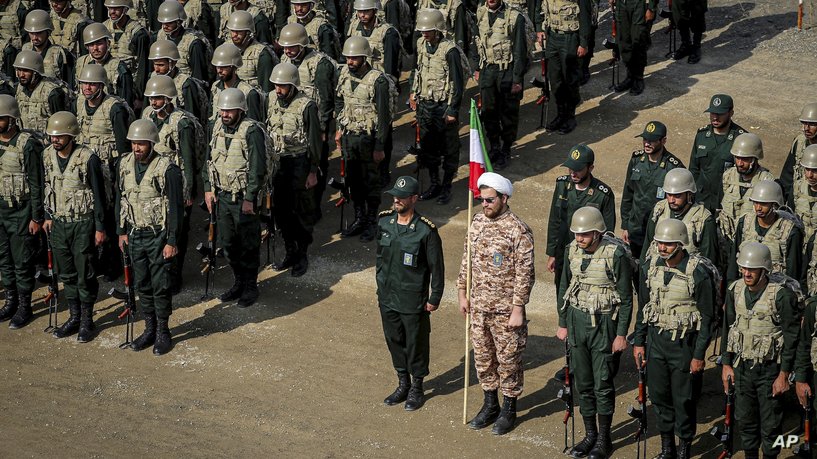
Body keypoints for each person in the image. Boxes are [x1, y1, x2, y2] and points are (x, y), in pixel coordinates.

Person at [458, 172, 534, 435]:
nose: (485, 204)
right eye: (482, 199)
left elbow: (526, 274)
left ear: (504, 198)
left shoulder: (518, 230)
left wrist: (518, 308)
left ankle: (508, 409)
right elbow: (467, 259)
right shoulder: (477, 221)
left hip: (505, 311)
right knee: (482, 358)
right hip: (479, 307)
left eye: (490, 200)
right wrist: (461, 291)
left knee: (508, 360)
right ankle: (490, 404)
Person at [633, 218, 716, 458]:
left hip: (684, 345)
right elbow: (645, 307)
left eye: (668, 244)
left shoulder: (697, 273)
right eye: (659, 242)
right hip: (656, 342)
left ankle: (684, 448)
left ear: (681, 244)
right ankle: (667, 446)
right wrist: (639, 342)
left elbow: (707, 318)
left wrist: (699, 355)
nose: (662, 248)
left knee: (684, 400)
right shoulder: (650, 268)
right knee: (658, 396)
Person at [557, 206, 632, 458]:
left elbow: (626, 298)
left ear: (598, 233)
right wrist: (563, 322)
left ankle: (604, 439)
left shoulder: (615, 254)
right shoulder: (571, 251)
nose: (580, 238)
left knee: (603, 384)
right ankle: (589, 435)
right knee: (583, 383)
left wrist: (621, 334)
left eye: (585, 234)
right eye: (577, 234)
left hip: (603, 325)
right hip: (577, 323)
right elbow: (564, 287)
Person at [722, 242, 802, 459]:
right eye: (744, 268)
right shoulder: (735, 290)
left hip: (769, 371)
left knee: (771, 425)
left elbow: (791, 337)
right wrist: (726, 364)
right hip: (742, 368)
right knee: (745, 421)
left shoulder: (781, 296)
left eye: (752, 269)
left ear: (764, 269)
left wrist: (784, 374)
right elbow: (727, 327)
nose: (746, 273)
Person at [376, 175, 444, 411]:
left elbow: (437, 268)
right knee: (394, 340)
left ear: (414, 199)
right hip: (387, 296)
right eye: (395, 196)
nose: (397, 200)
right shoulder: (384, 223)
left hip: (413, 298)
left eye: (402, 197)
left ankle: (416, 386)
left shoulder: (426, 231)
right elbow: (379, 259)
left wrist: (434, 297)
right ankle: (402, 382)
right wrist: (380, 286)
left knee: (416, 343)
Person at [116, 119, 184, 355]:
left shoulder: (167, 169)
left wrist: (172, 241)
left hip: (158, 236)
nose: (137, 148)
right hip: (135, 233)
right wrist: (121, 231)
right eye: (134, 143)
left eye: (141, 144)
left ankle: (164, 331)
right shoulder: (124, 164)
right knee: (142, 283)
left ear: (152, 143)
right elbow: (121, 199)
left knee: (160, 284)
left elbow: (176, 208)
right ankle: (149, 328)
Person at [42, 111, 107, 341]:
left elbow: (100, 196)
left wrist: (100, 227)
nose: (54, 140)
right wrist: (47, 216)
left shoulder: (87, 158)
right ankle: (74, 316)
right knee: (67, 273)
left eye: (59, 136)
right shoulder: (47, 155)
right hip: (59, 223)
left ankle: (87, 320)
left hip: (83, 224)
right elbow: (47, 186)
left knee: (85, 273)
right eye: (52, 136)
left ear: (71, 135)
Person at [203, 88, 270, 307]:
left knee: (248, 244)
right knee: (228, 244)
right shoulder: (215, 128)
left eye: (230, 110)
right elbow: (208, 161)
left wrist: (251, 197)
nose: (225, 114)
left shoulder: (251, 131)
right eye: (223, 110)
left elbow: (257, 168)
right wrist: (208, 189)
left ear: (240, 110)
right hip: (222, 195)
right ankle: (238, 281)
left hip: (243, 198)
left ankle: (251, 286)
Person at [142, 74, 204, 292]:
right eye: (150, 98)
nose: (153, 102)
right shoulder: (148, 116)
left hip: (175, 181)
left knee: (176, 230)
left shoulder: (182, 123)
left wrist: (188, 191)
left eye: (158, 98)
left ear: (168, 98)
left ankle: (173, 275)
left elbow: (188, 158)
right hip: (153, 181)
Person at [75, 63, 135, 281]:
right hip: (88, 171)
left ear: (101, 85)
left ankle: (114, 264)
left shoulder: (114, 108)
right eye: (84, 83)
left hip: (110, 172)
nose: (87, 88)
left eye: (92, 84)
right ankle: (97, 260)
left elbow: (123, 148)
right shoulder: (79, 104)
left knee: (111, 218)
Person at [335, 36, 394, 242]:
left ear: (364, 57)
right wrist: (338, 129)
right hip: (350, 137)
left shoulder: (378, 81)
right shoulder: (343, 73)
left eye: (354, 58)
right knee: (353, 181)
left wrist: (380, 146)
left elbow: (384, 118)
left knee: (371, 182)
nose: (350, 62)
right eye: (348, 58)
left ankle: (371, 220)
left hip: (369, 139)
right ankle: (359, 217)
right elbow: (339, 102)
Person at [266, 62, 320, 277]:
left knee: (301, 211)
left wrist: (313, 171)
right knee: (281, 211)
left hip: (299, 163)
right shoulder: (270, 99)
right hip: (278, 163)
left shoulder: (307, 106)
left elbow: (315, 141)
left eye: (282, 86)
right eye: (276, 85)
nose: (278, 90)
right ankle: (289, 250)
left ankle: (302, 254)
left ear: (293, 85)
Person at [279, 22, 337, 216]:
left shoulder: (319, 64)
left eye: (291, 47)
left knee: (316, 165)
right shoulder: (284, 62)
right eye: (285, 47)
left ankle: (314, 207)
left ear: (303, 45)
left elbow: (327, 98)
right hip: (292, 123)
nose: (287, 51)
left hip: (315, 123)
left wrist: (322, 129)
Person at [409, 8, 464, 205]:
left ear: (438, 29)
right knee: (428, 147)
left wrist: (453, 109)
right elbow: (417, 69)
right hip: (425, 104)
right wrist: (413, 91)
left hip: (443, 106)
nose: (424, 34)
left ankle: (447, 185)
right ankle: (434, 182)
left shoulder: (450, 51)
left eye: (428, 30)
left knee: (450, 148)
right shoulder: (421, 44)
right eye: (422, 30)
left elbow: (458, 83)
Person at [0, 95, 45, 330]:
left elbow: (37, 183)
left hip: (21, 211)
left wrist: (37, 217)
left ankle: (25, 306)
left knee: (22, 261)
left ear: (12, 119)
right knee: (4, 260)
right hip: (1, 211)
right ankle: (10, 301)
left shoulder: (28, 144)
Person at [546, 144, 615, 294]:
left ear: (590, 168)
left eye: (577, 169)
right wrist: (552, 253)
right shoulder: (562, 185)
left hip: (589, 254)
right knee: (562, 291)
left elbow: (608, 231)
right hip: (564, 251)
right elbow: (555, 220)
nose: (573, 173)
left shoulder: (603, 194)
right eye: (570, 168)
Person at [474, 0, 528, 169]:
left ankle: (506, 148)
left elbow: (520, 50)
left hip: (507, 70)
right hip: (487, 70)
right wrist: (477, 67)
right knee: (488, 112)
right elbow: (476, 42)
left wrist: (517, 78)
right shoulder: (481, 14)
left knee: (508, 113)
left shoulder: (514, 17)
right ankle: (494, 145)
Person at [620, 121, 684, 259]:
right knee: (636, 267)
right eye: (645, 139)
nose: (647, 144)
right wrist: (625, 225)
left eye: (652, 141)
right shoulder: (636, 160)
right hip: (636, 227)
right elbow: (628, 193)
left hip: (660, 230)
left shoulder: (673, 167)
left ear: (663, 141)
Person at [727, 180, 803, 284]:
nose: (758, 208)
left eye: (763, 204)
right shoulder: (744, 223)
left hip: (776, 289)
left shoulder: (790, 231)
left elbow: (793, 271)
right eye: (755, 202)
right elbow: (733, 262)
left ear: (774, 204)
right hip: (747, 285)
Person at [537, 0, 591, 134]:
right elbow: (538, 7)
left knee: (570, 79)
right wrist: (539, 28)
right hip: (552, 36)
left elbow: (585, 15)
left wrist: (583, 42)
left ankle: (570, 116)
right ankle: (561, 114)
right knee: (555, 80)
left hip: (570, 37)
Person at [642, 167, 717, 264]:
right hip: (657, 274)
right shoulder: (659, 210)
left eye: (677, 196)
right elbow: (647, 247)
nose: (671, 200)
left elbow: (708, 262)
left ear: (689, 195)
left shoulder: (703, 220)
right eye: (669, 194)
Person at [687, 94, 748, 213]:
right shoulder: (702, 135)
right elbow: (694, 169)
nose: (715, 117)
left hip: (727, 201)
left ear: (731, 113)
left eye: (720, 114)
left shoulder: (741, 139)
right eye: (712, 113)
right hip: (701, 200)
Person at [716, 133, 775, 241]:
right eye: (737, 158)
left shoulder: (767, 181)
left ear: (755, 158)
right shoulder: (728, 176)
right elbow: (720, 205)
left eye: (745, 159)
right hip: (726, 240)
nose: (740, 163)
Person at [74, 22, 136, 108]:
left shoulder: (119, 68)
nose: (95, 48)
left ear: (108, 43)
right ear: (87, 47)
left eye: (99, 43)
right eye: (91, 45)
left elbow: (125, 104)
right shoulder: (81, 63)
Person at [14, 50, 74, 133]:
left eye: (25, 71)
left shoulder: (52, 93)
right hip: (26, 141)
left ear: (35, 72)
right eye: (18, 70)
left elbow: (61, 125)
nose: (21, 75)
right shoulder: (19, 89)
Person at [103, 0, 151, 101]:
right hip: (106, 84)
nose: (112, 12)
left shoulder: (138, 34)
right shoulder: (103, 29)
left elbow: (143, 66)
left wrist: (139, 95)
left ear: (125, 9)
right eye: (110, 8)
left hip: (129, 87)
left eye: (116, 9)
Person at [155, 0, 212, 83]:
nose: (165, 26)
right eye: (163, 22)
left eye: (169, 22)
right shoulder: (160, 36)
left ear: (179, 22)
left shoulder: (194, 43)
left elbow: (199, 77)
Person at [210, 42, 267, 125]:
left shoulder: (249, 93)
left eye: (224, 67)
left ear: (233, 67)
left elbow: (254, 126)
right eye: (217, 67)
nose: (219, 70)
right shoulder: (215, 88)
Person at [610, 0, 657, 95]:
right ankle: (630, 76)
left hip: (640, 4)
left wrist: (651, 8)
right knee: (624, 41)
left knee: (638, 40)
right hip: (621, 4)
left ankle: (638, 78)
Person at [226, 9, 279, 93]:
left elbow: (266, 90)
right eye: (232, 31)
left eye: (239, 31)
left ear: (248, 32)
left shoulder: (262, 54)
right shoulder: (226, 49)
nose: (234, 35)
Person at [22, 8, 76, 85]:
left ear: (48, 32)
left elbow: (69, 84)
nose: (34, 38)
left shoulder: (60, 54)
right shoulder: (25, 50)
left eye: (39, 33)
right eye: (31, 33)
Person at [780, 102, 817, 203]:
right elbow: (787, 175)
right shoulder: (799, 143)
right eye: (804, 123)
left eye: (812, 124)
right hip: (798, 197)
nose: (806, 128)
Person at [792, 145, 817, 241]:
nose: (809, 175)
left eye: (815, 170)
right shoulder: (797, 188)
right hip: (800, 244)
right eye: (807, 169)